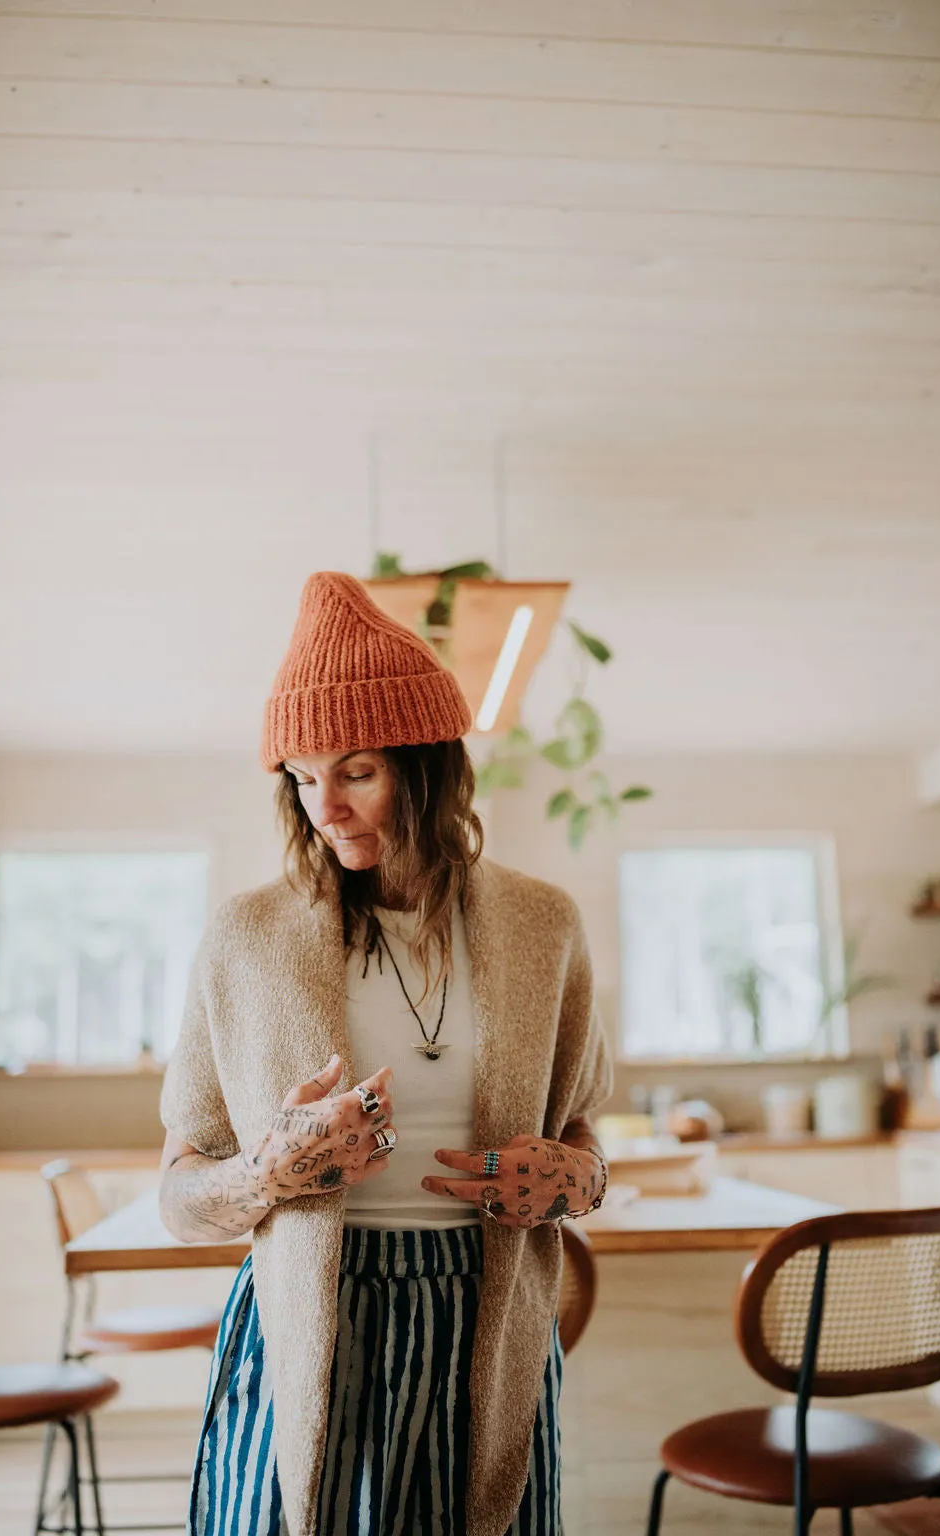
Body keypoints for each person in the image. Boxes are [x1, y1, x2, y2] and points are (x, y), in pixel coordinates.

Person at [158, 572, 611, 1536]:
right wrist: (267, 1173)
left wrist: (576, 1180)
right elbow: (178, 1194)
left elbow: (581, 1136)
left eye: (358, 770)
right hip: (305, 1325)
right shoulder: (244, 938)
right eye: (301, 774)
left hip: (485, 1324)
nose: (325, 805)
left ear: (433, 766)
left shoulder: (543, 926)